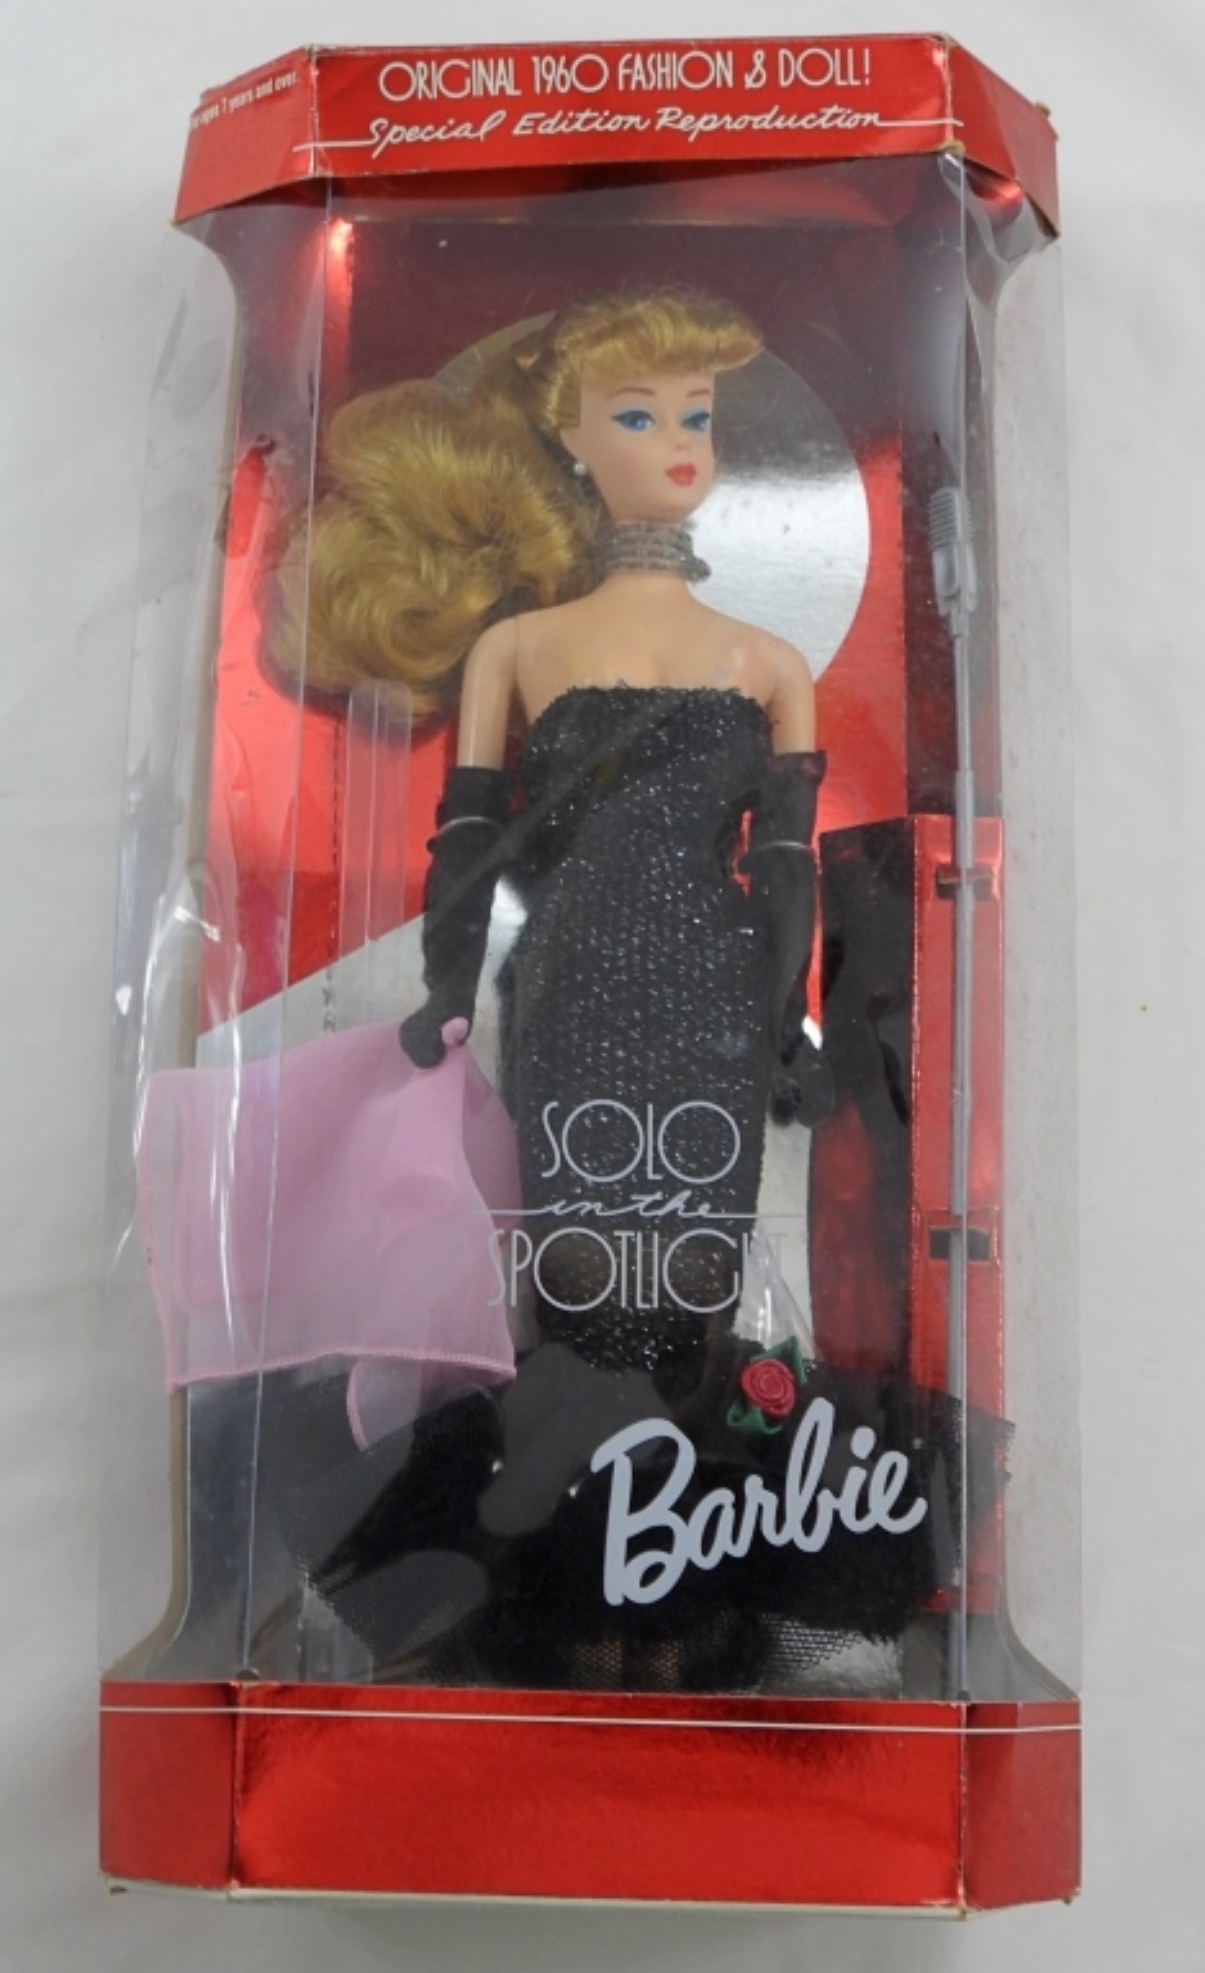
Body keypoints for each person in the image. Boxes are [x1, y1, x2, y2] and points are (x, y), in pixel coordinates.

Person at [265, 291, 982, 1691]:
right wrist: (445, 990)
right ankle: (569, 1600)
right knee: (577, 1269)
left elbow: (784, 869)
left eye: (694, 415)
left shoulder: (767, 662)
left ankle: (681, 1595)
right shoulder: (518, 649)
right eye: (637, 415)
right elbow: (466, 842)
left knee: (696, 1272)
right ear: (572, 442)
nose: (675, 442)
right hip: (575, 984)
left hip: (715, 990)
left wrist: (788, 1025)